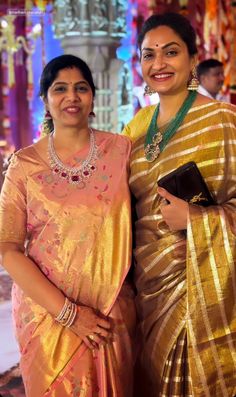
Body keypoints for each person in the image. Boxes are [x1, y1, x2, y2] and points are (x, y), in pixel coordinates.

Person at [0, 54, 136, 397]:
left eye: (81, 88)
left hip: (110, 313)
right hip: (47, 317)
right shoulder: (24, 165)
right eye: (60, 89)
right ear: (45, 100)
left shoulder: (121, 151)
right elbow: (7, 248)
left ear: (92, 97)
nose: (71, 97)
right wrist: (69, 314)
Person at [122, 12, 236, 397]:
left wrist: (199, 220)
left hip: (202, 283)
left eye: (170, 52)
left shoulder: (224, 121)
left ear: (191, 57)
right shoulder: (135, 128)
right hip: (147, 287)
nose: (158, 64)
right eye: (148, 55)